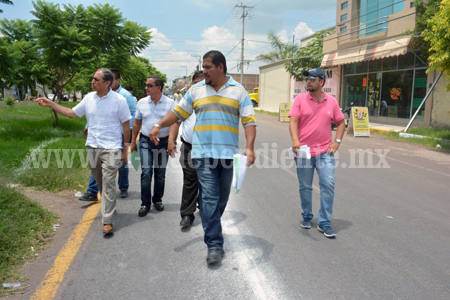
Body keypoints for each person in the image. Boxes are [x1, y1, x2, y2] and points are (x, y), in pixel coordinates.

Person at [148, 50, 257, 265]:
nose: (204, 71)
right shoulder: (195, 91)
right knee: (208, 197)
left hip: (226, 156)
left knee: (221, 200)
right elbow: (178, 113)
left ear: (220, 67)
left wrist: (250, 147)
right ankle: (215, 244)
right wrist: (159, 125)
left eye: (207, 67)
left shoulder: (239, 91)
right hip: (202, 155)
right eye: (203, 67)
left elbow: (249, 121)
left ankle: (211, 222)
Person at [37, 68, 131, 235]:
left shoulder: (119, 101)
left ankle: (107, 220)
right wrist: (51, 103)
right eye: (92, 79)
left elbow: (125, 125)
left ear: (107, 83)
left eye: (96, 79)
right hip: (92, 146)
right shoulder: (89, 98)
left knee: (109, 182)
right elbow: (72, 113)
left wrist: (125, 148)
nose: (92, 81)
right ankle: (108, 205)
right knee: (101, 181)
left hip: (112, 147)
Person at [288, 68, 345, 239]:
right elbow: (293, 120)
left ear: (321, 82)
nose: (308, 82)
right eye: (307, 79)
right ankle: (306, 215)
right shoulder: (299, 100)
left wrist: (337, 142)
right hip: (304, 152)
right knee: (305, 186)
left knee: (328, 184)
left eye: (312, 79)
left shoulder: (331, 102)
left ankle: (324, 222)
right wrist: (295, 139)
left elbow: (341, 123)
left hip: (325, 151)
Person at [78, 68, 137, 201]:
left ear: (116, 81)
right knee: (97, 164)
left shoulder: (125, 97)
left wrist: (125, 134)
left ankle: (123, 187)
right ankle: (92, 191)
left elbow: (132, 116)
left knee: (122, 163)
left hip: (119, 135)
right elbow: (96, 113)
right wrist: (88, 126)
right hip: (101, 137)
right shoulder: (96, 95)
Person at [130, 75, 177, 217]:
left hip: (163, 142)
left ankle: (157, 199)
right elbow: (137, 122)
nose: (146, 88)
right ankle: (145, 203)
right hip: (145, 143)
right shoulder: (142, 103)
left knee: (160, 173)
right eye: (146, 85)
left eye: (149, 85)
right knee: (146, 172)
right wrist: (133, 141)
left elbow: (175, 122)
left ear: (159, 87)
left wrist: (171, 142)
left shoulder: (170, 103)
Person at [168, 70, 204, 227]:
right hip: (189, 147)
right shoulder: (187, 101)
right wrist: (171, 141)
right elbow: (176, 121)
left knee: (207, 180)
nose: (200, 86)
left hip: (210, 149)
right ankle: (187, 215)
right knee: (190, 180)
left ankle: (203, 205)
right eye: (196, 83)